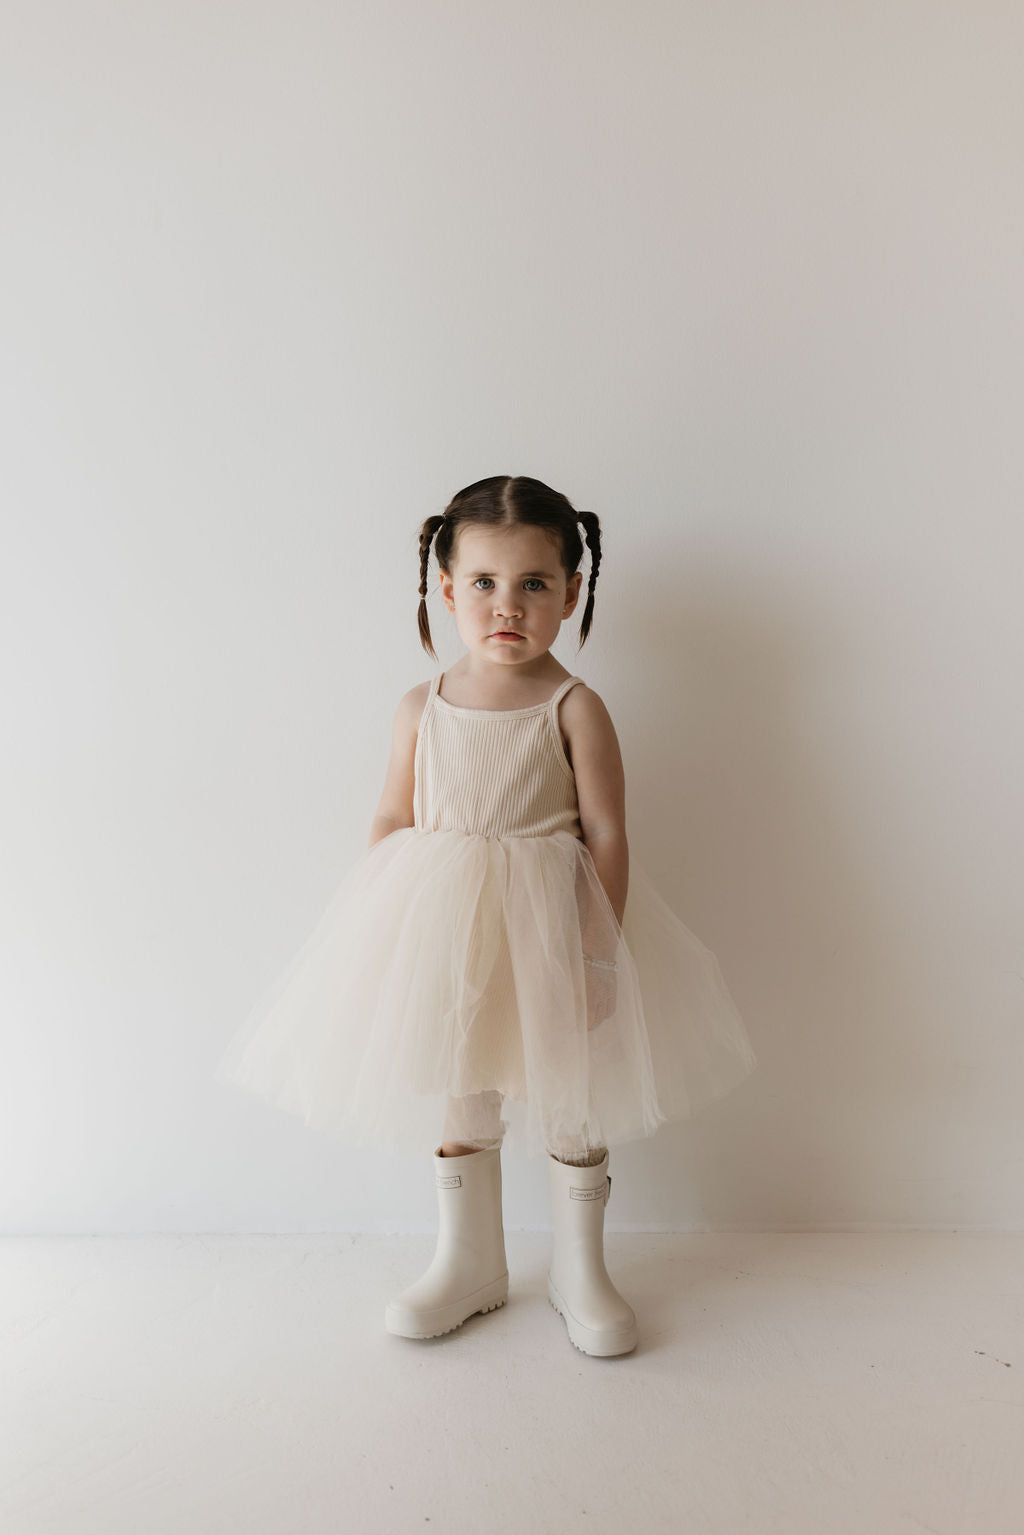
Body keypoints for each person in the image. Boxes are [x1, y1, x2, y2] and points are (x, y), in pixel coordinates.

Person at [215, 474, 757, 1357]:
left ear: (573, 592)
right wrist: (385, 934)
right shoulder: (420, 707)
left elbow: (609, 835)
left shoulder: (575, 706)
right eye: (485, 583)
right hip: (451, 930)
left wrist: (599, 952)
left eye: (535, 584)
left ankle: (581, 1272)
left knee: (572, 1096)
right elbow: (393, 819)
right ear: (445, 587)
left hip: (553, 928)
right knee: (465, 1087)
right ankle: (469, 1262)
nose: (508, 606)